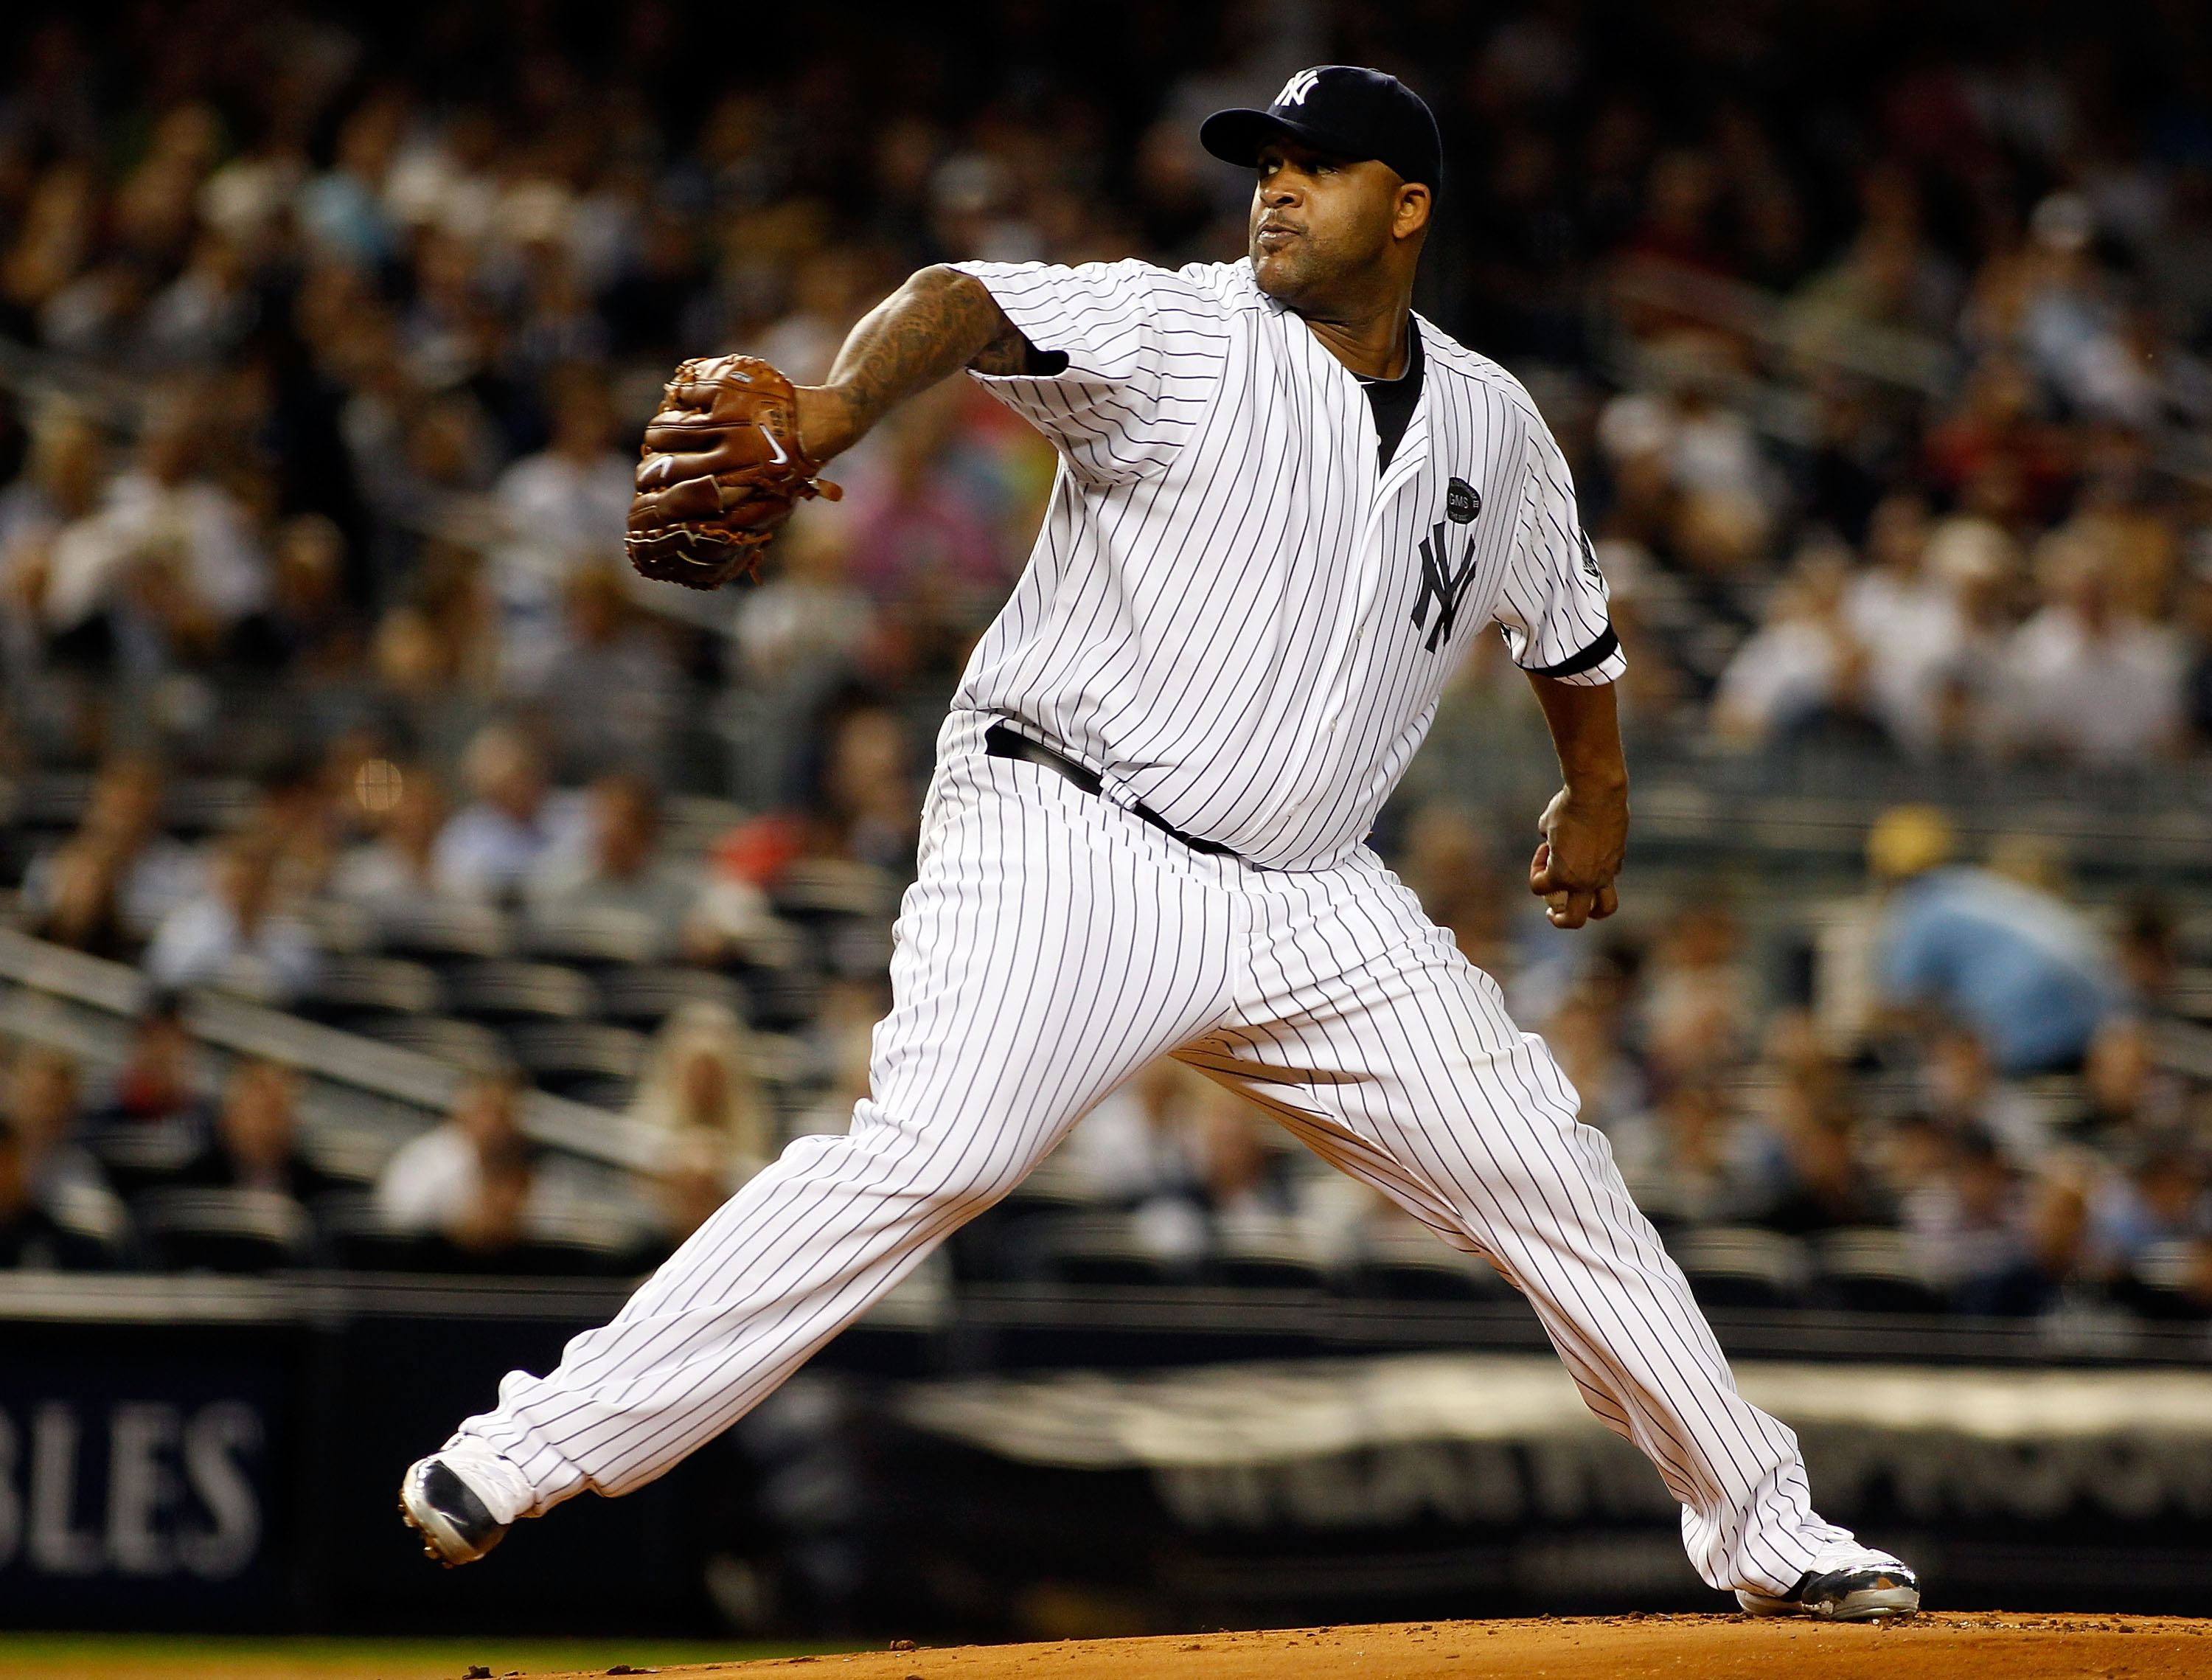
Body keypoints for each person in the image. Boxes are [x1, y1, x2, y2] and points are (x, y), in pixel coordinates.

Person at [400, 67, 1916, 1622]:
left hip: (1314, 893)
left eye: (1317, 165)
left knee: (1555, 1178)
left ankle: (1767, 1527)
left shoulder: (1497, 425)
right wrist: (842, 405)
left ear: (1408, 206)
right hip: (1073, 824)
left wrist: (1598, 795)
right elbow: (962, 298)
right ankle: (528, 1444)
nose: (1273, 185)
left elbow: (1574, 630)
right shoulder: (1179, 330)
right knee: (942, 1148)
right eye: (1264, 160)